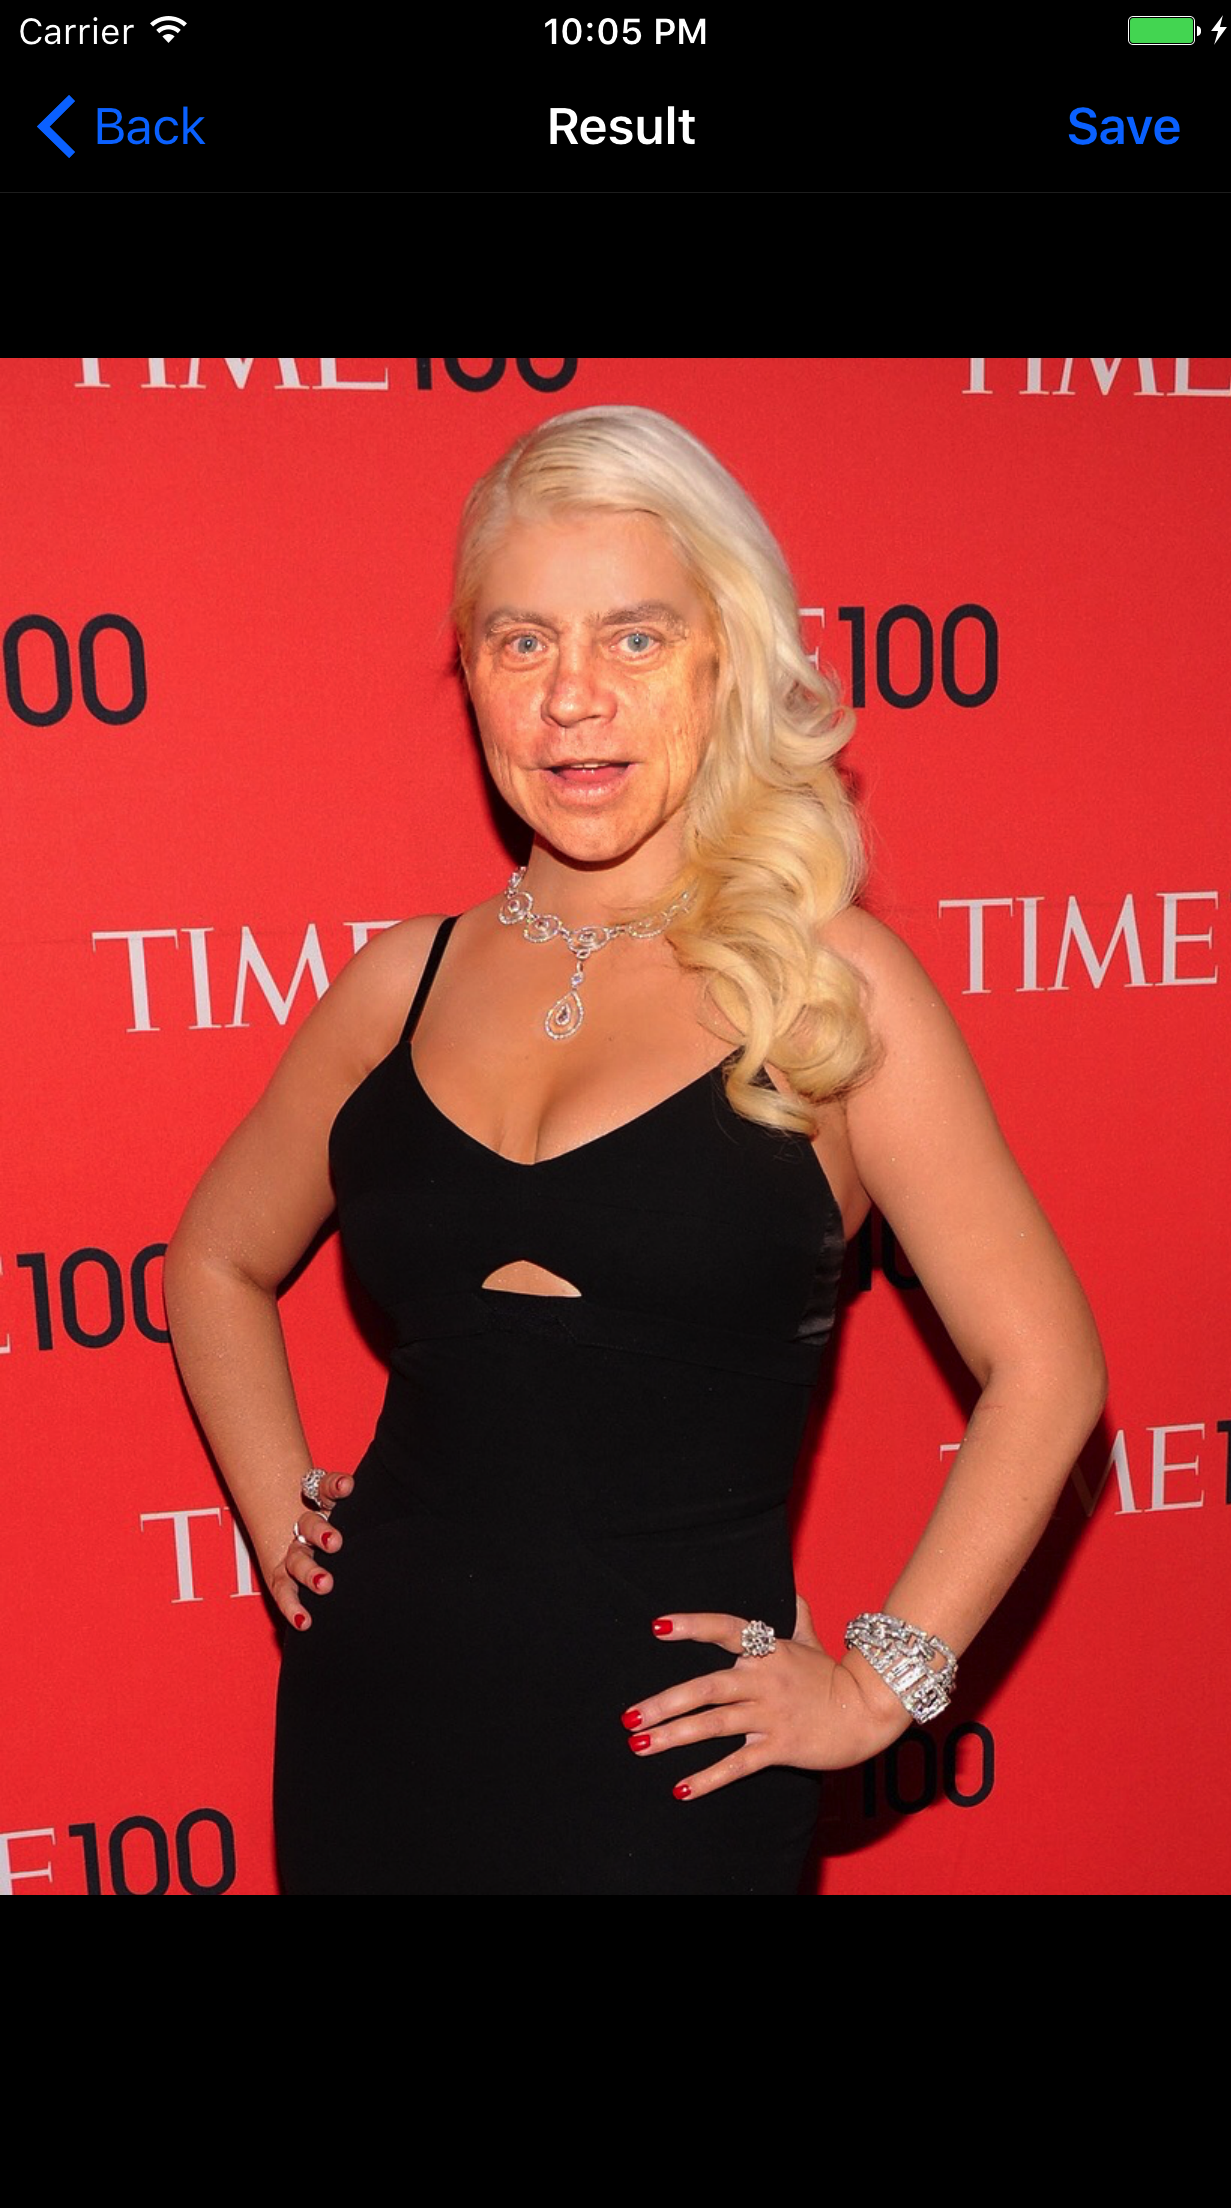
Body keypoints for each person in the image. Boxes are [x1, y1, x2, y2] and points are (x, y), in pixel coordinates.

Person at [163, 404, 1107, 1896]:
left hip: (671, 1768)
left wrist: (882, 1684)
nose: (572, 700)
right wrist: (283, 1509)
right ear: (469, 671)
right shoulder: (396, 984)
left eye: (636, 638)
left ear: (725, 657)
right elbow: (212, 1259)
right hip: (376, 1719)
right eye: (522, 641)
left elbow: (1047, 1368)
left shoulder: (825, 988)